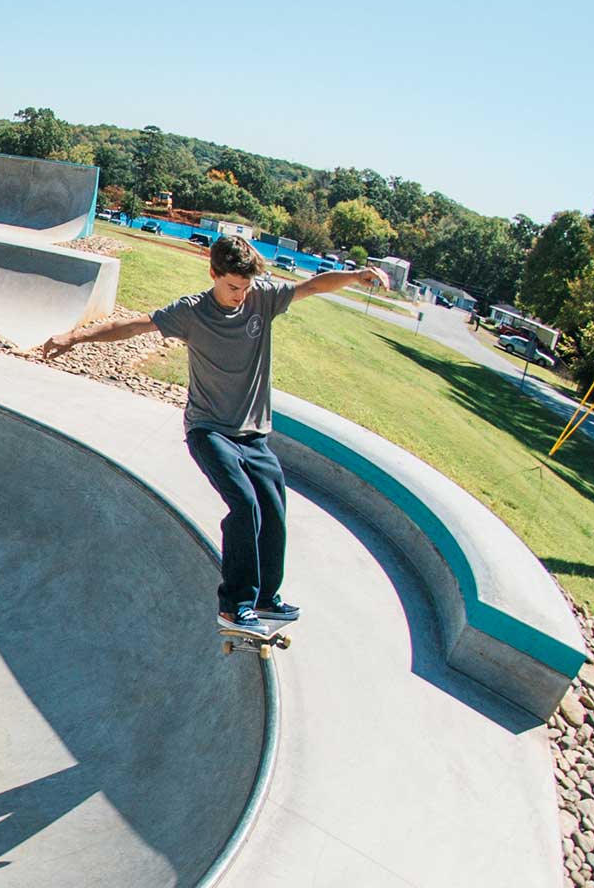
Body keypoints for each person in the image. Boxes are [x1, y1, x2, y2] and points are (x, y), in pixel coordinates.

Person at [34, 239, 388, 632]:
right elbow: (135, 326)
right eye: (234, 287)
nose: (241, 296)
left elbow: (314, 286)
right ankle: (234, 606)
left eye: (247, 287)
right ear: (214, 274)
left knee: (273, 510)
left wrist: (358, 276)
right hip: (209, 431)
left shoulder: (262, 299)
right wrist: (74, 337)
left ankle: (266, 599)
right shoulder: (191, 312)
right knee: (244, 504)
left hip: (253, 435)